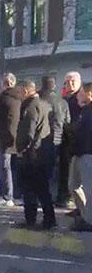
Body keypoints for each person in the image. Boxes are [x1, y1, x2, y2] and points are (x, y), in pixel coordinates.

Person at [16, 79, 56, 229]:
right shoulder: (45, 104)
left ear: (26, 91)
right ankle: (49, 219)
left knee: (30, 190)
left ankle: (31, 220)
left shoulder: (31, 107)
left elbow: (28, 133)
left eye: (19, 92)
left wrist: (21, 149)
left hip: (32, 155)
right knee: (43, 189)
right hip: (44, 152)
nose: (18, 95)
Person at [0, 73, 23, 206]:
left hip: (4, 137)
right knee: (14, 167)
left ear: (4, 84)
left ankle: (7, 195)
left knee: (4, 167)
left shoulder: (1, 99)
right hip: (18, 137)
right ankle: (16, 194)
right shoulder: (20, 99)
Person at [40, 76, 70, 194]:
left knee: (41, 169)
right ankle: (54, 195)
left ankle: (42, 195)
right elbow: (67, 121)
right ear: (54, 86)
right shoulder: (62, 101)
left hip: (42, 138)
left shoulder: (39, 100)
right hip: (59, 138)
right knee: (55, 170)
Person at [69, 82, 92, 231]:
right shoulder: (84, 110)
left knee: (89, 190)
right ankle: (84, 214)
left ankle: (88, 221)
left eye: (81, 92)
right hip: (77, 153)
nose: (78, 95)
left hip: (88, 154)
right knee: (73, 186)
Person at [58, 72, 83, 207]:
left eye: (73, 81)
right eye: (67, 82)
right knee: (64, 171)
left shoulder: (80, 98)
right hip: (64, 140)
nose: (70, 84)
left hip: (76, 141)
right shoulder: (64, 99)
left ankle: (73, 200)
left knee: (75, 175)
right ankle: (65, 196)